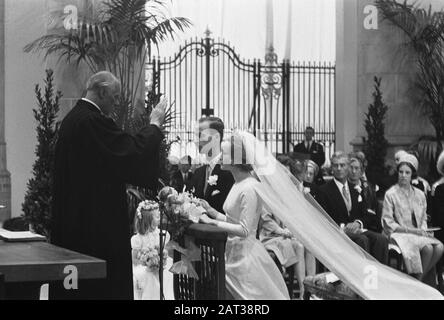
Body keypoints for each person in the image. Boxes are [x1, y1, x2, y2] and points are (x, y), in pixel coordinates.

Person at [51, 71, 166, 300]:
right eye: (114, 97)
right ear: (101, 91)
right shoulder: (91, 121)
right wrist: (154, 126)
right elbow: (130, 152)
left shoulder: (73, 119)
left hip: (75, 224)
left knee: (75, 289)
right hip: (94, 230)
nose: (116, 103)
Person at [199, 133, 289, 300]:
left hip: (246, 258)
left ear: (235, 160)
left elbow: (245, 229)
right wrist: (213, 212)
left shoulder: (250, 187)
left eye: (224, 153)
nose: (220, 157)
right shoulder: (238, 183)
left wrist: (212, 223)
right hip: (232, 253)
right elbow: (233, 219)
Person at [382, 153, 444, 282]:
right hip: (398, 234)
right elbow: (388, 223)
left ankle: (415, 280)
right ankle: (416, 282)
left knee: (439, 247)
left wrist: (423, 230)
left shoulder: (420, 194)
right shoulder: (391, 194)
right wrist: (411, 231)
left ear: (412, 175)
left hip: (417, 233)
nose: (403, 175)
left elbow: (423, 218)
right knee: (427, 249)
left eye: (407, 173)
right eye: (401, 172)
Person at [319, 152, 388, 264]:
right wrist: (344, 227)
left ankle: (380, 275)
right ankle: (360, 275)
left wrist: (358, 223)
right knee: (362, 239)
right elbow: (323, 218)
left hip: (356, 230)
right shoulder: (324, 190)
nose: (339, 168)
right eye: (336, 165)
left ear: (347, 168)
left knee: (381, 240)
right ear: (332, 168)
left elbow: (365, 214)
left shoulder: (355, 190)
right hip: (337, 232)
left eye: (342, 165)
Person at [190, 117, 234, 214]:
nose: (195, 141)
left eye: (200, 135)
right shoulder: (198, 172)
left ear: (216, 137)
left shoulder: (230, 171)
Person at [348, 152, 382, 233]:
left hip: (367, 226)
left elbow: (373, 212)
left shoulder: (368, 187)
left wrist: (360, 223)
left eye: (356, 168)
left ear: (362, 170)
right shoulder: (344, 186)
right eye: (351, 168)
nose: (353, 171)